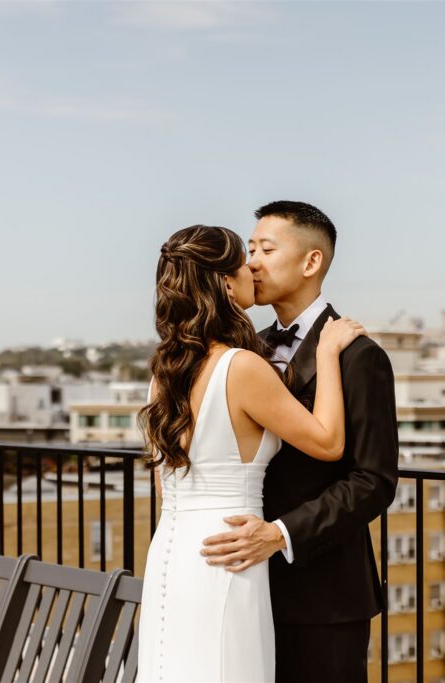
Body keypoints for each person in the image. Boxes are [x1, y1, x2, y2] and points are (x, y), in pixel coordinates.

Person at [137, 224, 367, 682]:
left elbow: (166, 482)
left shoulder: (165, 371)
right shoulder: (242, 366)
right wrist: (326, 354)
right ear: (225, 282)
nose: (253, 267)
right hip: (230, 551)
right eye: (246, 257)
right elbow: (328, 442)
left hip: (173, 552)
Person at [200, 201, 399, 683]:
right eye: (249, 250)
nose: (251, 263)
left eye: (266, 249)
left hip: (322, 596)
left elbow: (373, 480)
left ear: (311, 262)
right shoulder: (243, 353)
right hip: (245, 583)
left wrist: (280, 533)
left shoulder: (359, 356)